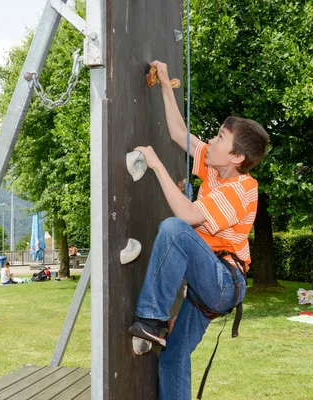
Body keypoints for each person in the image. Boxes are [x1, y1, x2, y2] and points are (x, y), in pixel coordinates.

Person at [128, 60, 269, 399]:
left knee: (174, 229)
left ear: (236, 157)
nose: (211, 140)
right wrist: (164, 82)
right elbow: (179, 134)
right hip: (208, 284)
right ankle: (159, 328)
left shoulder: (241, 189)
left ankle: (152, 320)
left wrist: (156, 164)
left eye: (220, 137)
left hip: (223, 282)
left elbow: (187, 216)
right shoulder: (216, 167)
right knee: (174, 357)